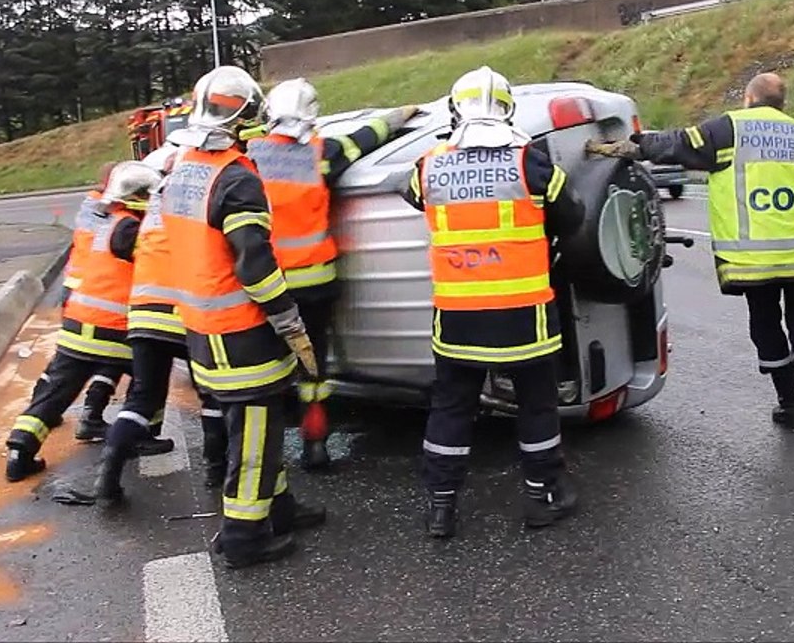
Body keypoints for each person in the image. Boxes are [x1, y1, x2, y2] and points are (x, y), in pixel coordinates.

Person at [588, 72, 794, 439]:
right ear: (782, 103)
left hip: (754, 259)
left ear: (749, 99)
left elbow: (677, 144)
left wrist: (629, 146)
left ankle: (791, 403)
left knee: (765, 323)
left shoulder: (731, 129)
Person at [399, 65, 586, 539]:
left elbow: (411, 195)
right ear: (507, 109)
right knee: (536, 405)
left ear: (455, 109)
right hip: (525, 317)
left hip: (458, 319)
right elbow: (575, 213)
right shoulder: (529, 161)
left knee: (451, 408)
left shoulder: (429, 164)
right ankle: (541, 497)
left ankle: (441, 507)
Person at [159, 65, 326, 568]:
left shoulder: (182, 167)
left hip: (201, 327)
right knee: (254, 435)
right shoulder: (234, 177)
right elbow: (254, 262)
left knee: (262, 425)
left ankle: (280, 509)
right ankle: (243, 538)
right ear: (247, 119)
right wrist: (288, 317)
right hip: (241, 331)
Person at [249, 78, 420, 471]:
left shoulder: (249, 159)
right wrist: (397, 116)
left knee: (268, 367)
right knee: (314, 366)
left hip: (267, 287)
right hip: (316, 284)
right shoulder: (320, 154)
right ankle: (315, 446)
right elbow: (366, 137)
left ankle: (260, 455)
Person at [5, 161, 161, 482]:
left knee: (54, 394)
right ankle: (140, 435)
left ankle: (20, 449)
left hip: (78, 326)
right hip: (118, 330)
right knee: (152, 380)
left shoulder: (102, 224)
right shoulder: (132, 229)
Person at [91, 146, 190, 501]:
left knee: (141, 397)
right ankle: (217, 467)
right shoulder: (186, 211)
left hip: (143, 316)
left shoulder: (144, 222)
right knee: (213, 391)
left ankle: (110, 469)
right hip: (183, 314)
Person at [57, 162, 126, 438]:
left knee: (70, 363)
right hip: (94, 291)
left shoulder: (92, 204)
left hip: (78, 289)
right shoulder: (110, 212)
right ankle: (92, 414)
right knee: (113, 355)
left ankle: (47, 413)